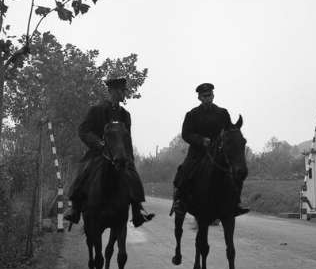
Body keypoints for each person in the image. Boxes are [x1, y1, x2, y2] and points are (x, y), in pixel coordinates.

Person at [64, 76, 154, 227]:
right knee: (82, 172)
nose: (123, 94)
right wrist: (98, 143)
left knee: (133, 177)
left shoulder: (125, 115)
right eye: (121, 91)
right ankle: (75, 208)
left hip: (120, 155)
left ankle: (137, 210)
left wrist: (130, 159)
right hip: (98, 153)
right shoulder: (96, 110)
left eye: (124, 91)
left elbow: (127, 139)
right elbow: (83, 131)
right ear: (112, 91)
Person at [171, 83, 249, 216]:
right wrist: (201, 140)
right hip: (198, 152)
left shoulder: (223, 113)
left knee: (236, 171)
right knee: (184, 171)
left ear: (213, 96)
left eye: (209, 95)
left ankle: (236, 203)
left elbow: (229, 130)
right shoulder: (192, 114)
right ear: (199, 98)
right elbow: (186, 134)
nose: (207, 98)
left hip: (219, 151)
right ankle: (179, 201)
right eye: (204, 96)